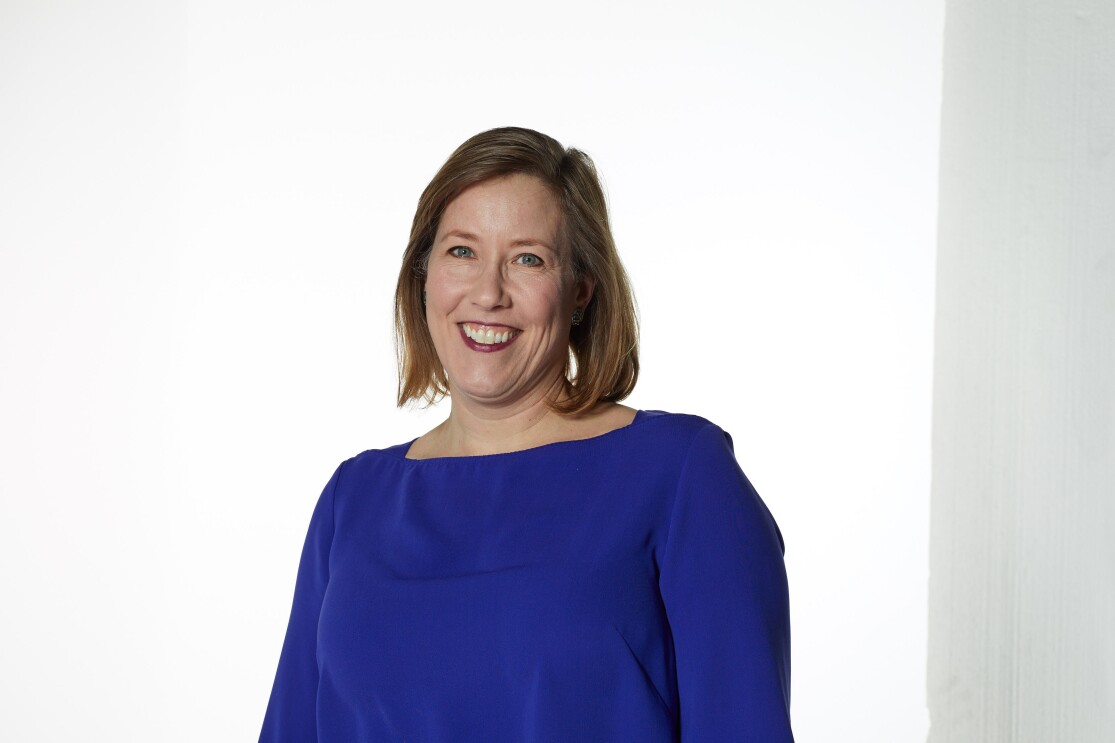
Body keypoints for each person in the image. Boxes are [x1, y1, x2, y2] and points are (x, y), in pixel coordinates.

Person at [259, 127, 794, 742]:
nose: (488, 293)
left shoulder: (679, 476)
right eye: (462, 251)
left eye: (528, 258)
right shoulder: (352, 500)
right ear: (424, 275)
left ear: (581, 292)